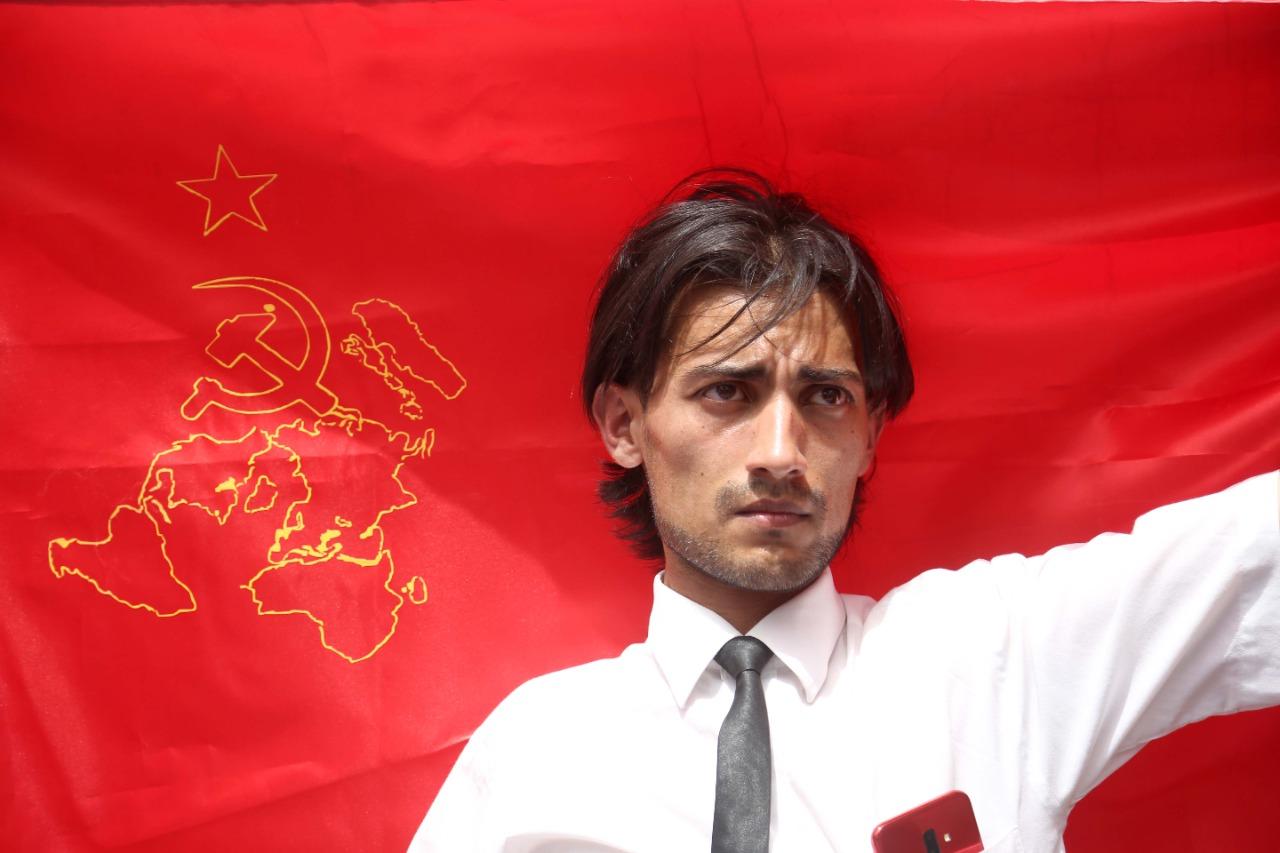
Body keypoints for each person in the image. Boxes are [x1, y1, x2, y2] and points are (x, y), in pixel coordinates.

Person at [408, 170, 1279, 852]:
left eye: (825, 396)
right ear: (625, 424)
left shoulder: (993, 656)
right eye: (727, 391)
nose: (780, 451)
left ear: (868, 435)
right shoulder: (535, 750)